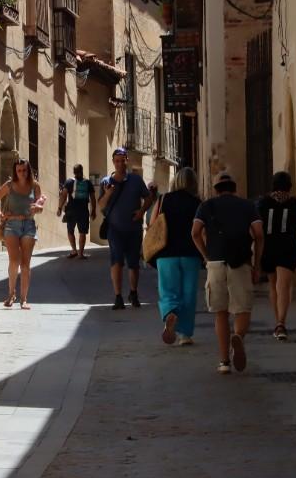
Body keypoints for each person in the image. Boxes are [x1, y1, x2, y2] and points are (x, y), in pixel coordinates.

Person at [192, 171, 265, 374]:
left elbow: (195, 233)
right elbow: (258, 234)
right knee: (243, 309)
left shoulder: (206, 206)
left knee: (220, 313)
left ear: (216, 191)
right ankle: (239, 337)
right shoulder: (248, 206)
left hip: (215, 263)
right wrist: (257, 264)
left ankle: (224, 362)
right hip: (240, 263)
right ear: (235, 189)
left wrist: (206, 256)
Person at [257, 171, 296, 341]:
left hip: (268, 248)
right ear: (290, 186)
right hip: (288, 248)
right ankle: (281, 323)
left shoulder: (261, 203)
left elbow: (255, 228)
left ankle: (278, 322)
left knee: (273, 285)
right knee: (284, 286)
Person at [153, 167, 205, 347]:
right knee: (189, 293)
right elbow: (202, 230)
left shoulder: (163, 200)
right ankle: (185, 335)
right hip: (191, 253)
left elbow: (153, 224)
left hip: (166, 253)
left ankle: (170, 313)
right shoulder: (198, 203)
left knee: (168, 289)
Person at [97, 148, 153, 310]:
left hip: (134, 229)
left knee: (134, 264)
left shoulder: (136, 180)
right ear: (113, 162)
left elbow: (148, 198)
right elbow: (101, 206)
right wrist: (108, 194)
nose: (120, 163)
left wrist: (142, 211)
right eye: (117, 161)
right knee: (116, 262)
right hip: (115, 230)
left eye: (123, 160)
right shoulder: (106, 182)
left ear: (127, 160)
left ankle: (133, 293)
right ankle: (118, 296)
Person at [0, 158, 46, 310]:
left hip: (29, 225)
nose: (22, 173)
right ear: (15, 171)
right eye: (19, 170)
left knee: (25, 265)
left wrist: (37, 208)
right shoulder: (9, 186)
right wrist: (1, 215)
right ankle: (11, 293)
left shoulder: (35, 186)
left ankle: (24, 299)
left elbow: (40, 207)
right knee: (14, 261)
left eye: (24, 170)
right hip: (11, 226)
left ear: (29, 171)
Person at [57, 164, 96, 259]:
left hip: (71, 210)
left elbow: (63, 195)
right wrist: (93, 210)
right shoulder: (88, 183)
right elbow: (93, 198)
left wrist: (59, 208)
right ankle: (81, 254)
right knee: (82, 232)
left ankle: (74, 250)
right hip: (83, 211)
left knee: (70, 231)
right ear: (82, 171)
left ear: (74, 172)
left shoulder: (69, 182)